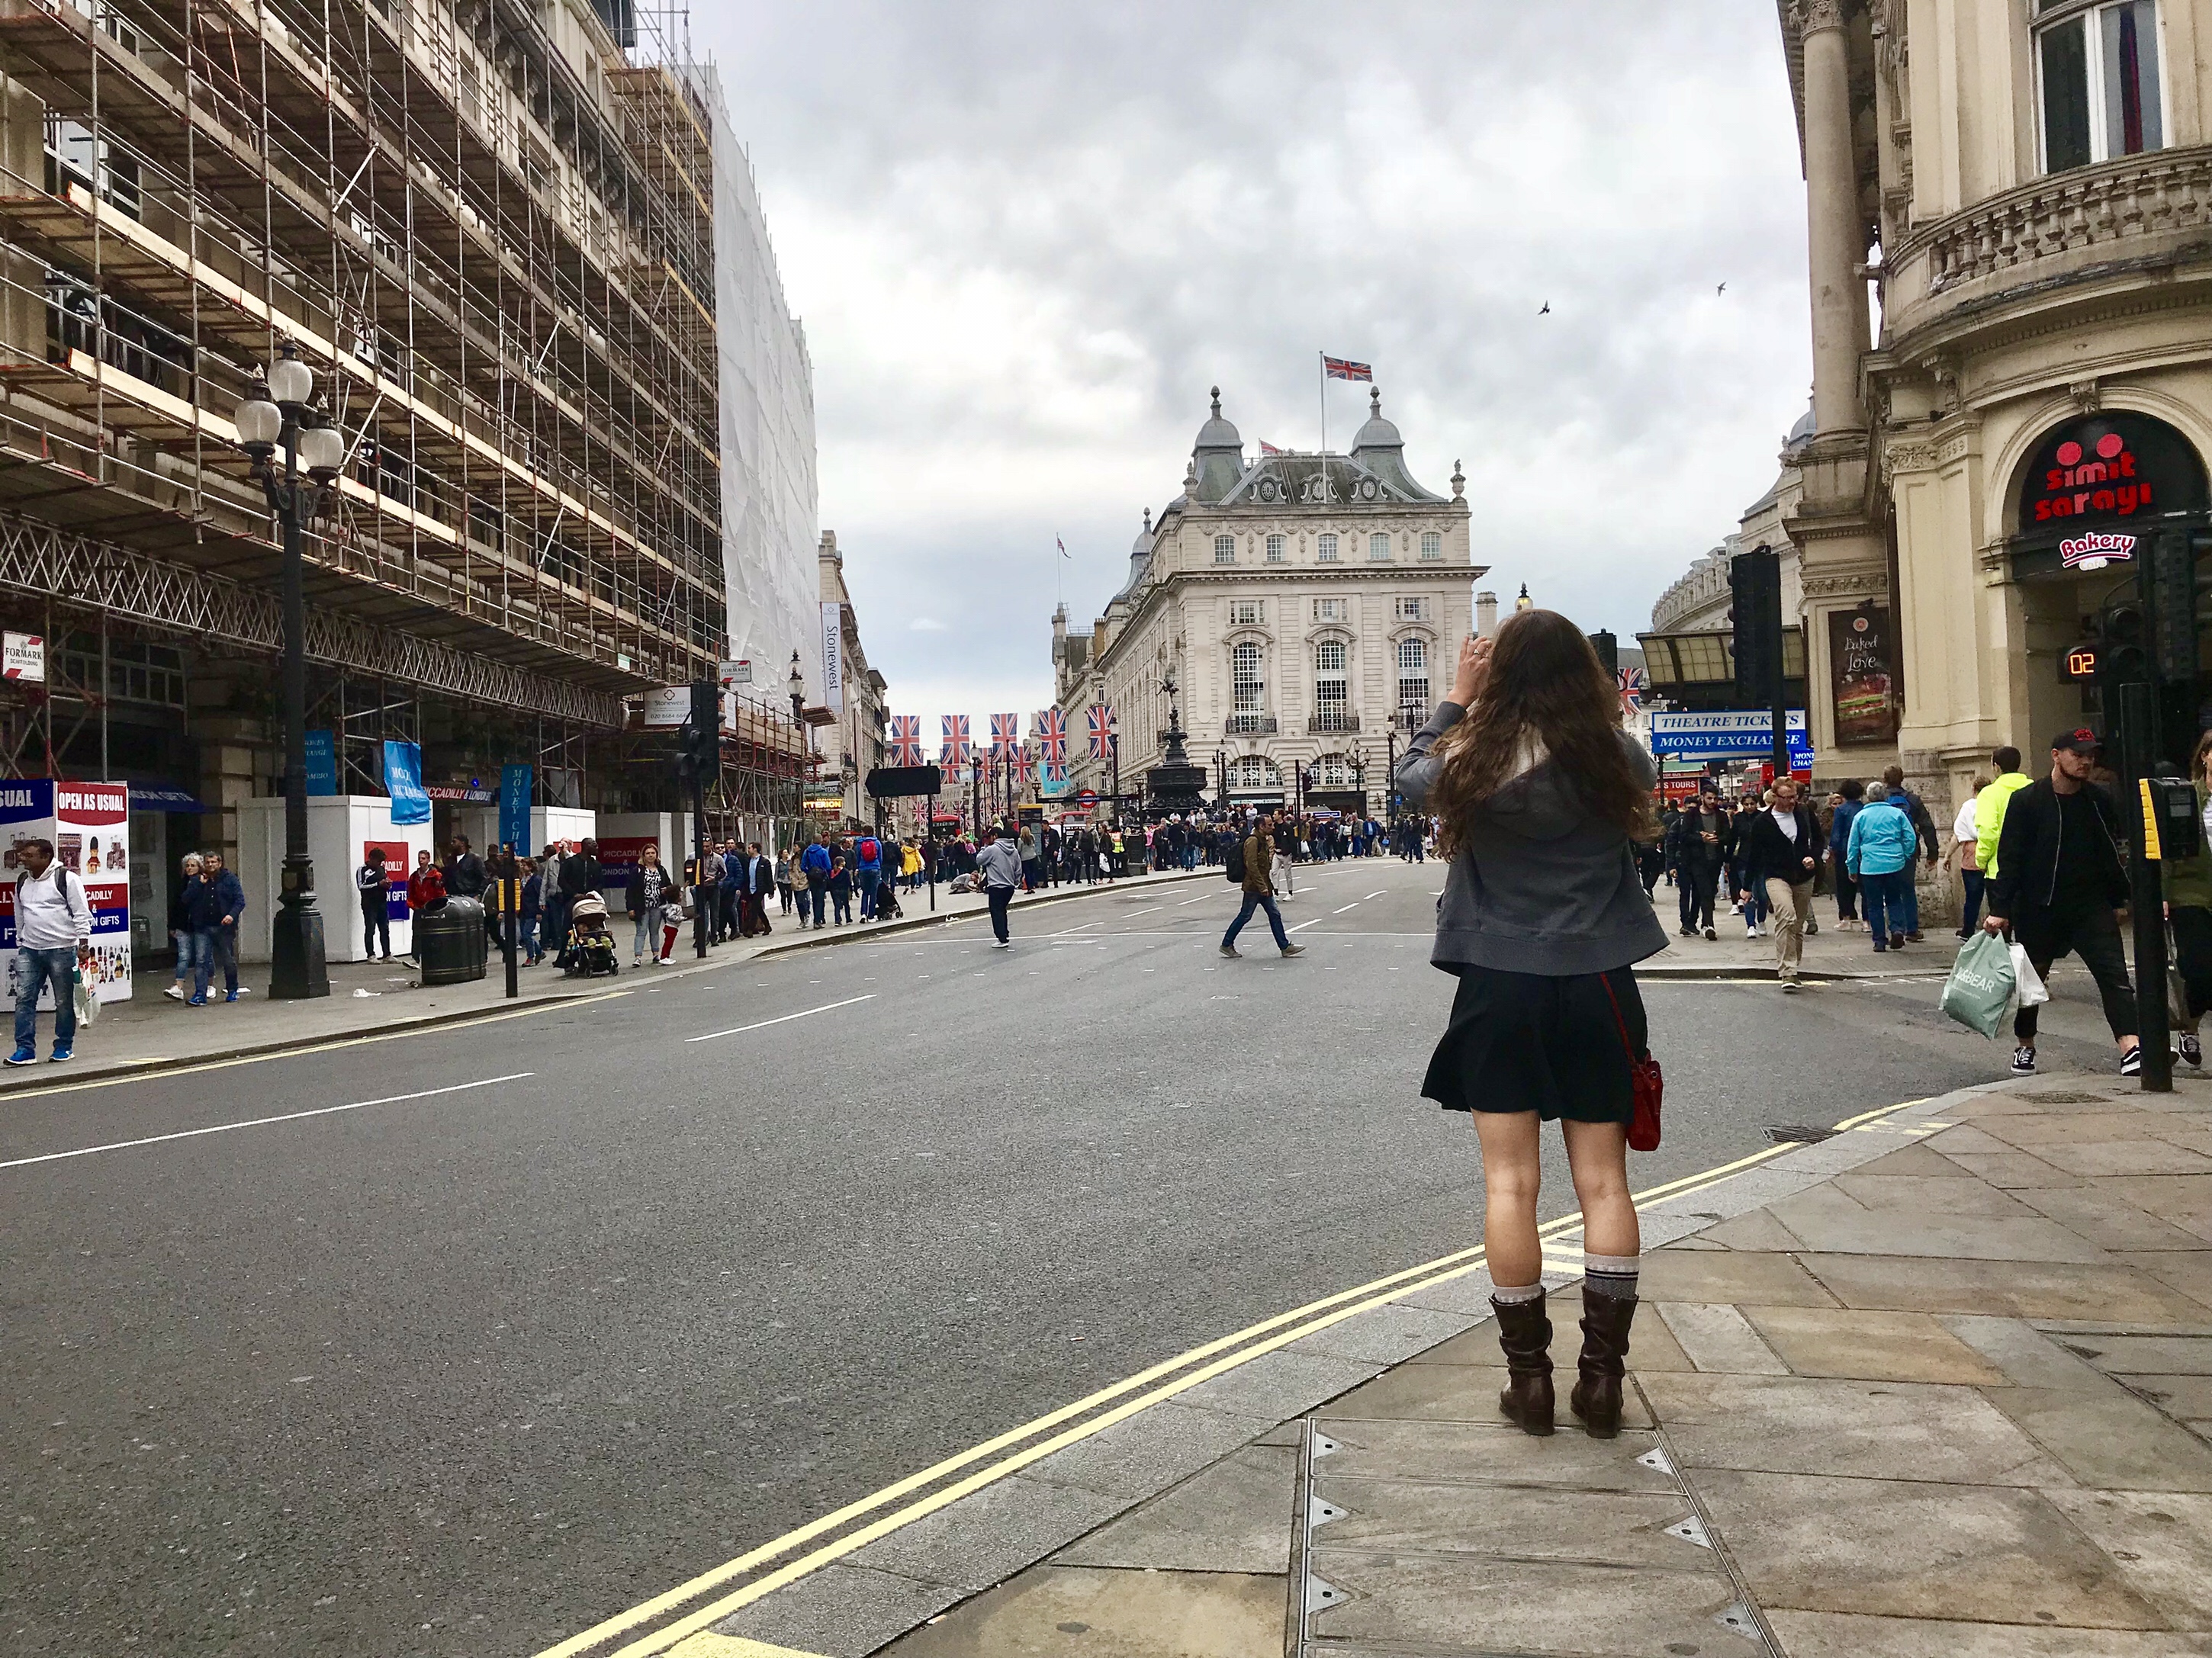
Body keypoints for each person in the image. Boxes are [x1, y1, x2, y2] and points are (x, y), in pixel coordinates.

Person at [1398, 612, 1665, 1439]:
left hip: (1500, 983)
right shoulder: (1613, 757)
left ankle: (1531, 1382)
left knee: (1510, 1184)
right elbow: (1634, 758)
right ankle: (1602, 1381)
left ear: (1501, 676)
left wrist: (1456, 698)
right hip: (1597, 982)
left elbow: (1408, 776)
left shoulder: (1471, 763)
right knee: (1605, 1185)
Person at [1985, 728, 2142, 1078]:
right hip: (2040, 906)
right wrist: (2000, 910)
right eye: (2078, 754)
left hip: (2090, 906)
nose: (2086, 761)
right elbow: (2010, 858)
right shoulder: (2027, 800)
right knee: (2032, 982)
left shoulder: (2099, 799)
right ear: (2056, 756)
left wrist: (2118, 898)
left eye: (2091, 755)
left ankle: (2131, 1048)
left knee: (2115, 977)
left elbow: (2110, 852)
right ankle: (2025, 1045)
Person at [8, 837, 93, 1062]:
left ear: (46, 857)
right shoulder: (23, 880)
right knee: (24, 1000)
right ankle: (25, 1050)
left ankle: (64, 1046)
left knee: (63, 1002)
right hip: (30, 950)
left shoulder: (66, 878)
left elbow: (81, 913)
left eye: (29, 855)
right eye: (23, 855)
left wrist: (83, 944)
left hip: (62, 949)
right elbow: (20, 912)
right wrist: (21, 940)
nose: (23, 859)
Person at [1735, 776, 1823, 991]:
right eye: (1786, 797)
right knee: (1786, 916)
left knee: (1797, 926)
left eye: (1794, 797)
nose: (1792, 801)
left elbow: (1819, 840)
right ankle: (1788, 972)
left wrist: (1813, 857)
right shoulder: (1763, 822)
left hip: (1804, 876)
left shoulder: (1804, 812)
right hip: (1776, 876)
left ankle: (1793, 964)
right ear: (1775, 797)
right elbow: (1754, 855)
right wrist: (1746, 887)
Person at [2162, 733, 2212, 1070]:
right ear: (2205, 756)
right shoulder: (2187, 797)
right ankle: (2189, 1027)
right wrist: (2162, 894)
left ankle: (2189, 1025)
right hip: (2190, 891)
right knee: (2198, 968)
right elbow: (2167, 849)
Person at [1220, 814, 1304, 959]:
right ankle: (1226, 944)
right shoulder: (1253, 841)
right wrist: (1262, 886)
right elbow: (1251, 866)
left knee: (1274, 915)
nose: (1272, 827)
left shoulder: (1263, 840)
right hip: (1254, 887)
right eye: (1269, 825)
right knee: (1245, 916)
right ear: (1261, 827)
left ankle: (1285, 947)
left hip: (1263, 885)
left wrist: (1266, 886)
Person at [1846, 782, 1918, 951]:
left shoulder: (1861, 817)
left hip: (1870, 866)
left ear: (1869, 797)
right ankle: (1897, 928)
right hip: (1895, 863)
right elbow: (1910, 837)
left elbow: (1853, 845)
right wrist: (1905, 854)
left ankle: (1879, 940)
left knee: (1874, 904)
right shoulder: (1897, 814)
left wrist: (1852, 867)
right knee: (1894, 899)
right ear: (1885, 795)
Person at [1880, 764, 1940, 942]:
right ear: (1902, 779)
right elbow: (1927, 827)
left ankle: (1895, 927)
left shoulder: (1880, 801)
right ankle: (1912, 929)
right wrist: (1933, 853)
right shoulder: (1913, 800)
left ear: (1884, 780)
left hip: (1885, 851)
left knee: (1889, 890)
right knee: (1907, 889)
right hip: (1908, 852)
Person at [191, 850, 247, 1004]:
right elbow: (186, 899)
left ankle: (232, 989)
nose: (210, 865)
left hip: (224, 927)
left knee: (228, 960)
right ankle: (200, 994)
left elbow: (240, 901)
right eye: (207, 862)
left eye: (213, 862)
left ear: (220, 863)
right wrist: (199, 885)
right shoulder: (199, 880)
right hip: (203, 926)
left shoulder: (230, 879)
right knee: (201, 960)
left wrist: (231, 915)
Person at [1974, 745, 2032, 892]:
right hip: (2032, 868)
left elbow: (1988, 831)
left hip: (1998, 870)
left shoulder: (1989, 794)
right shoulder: (2034, 788)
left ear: (1996, 766)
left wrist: (1981, 861)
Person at [1675, 786, 1728, 940]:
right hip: (1697, 861)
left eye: (1715, 798)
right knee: (1705, 891)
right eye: (1709, 798)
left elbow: (1728, 836)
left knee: (1709, 891)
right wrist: (1702, 839)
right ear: (1702, 797)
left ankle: (1694, 922)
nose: (1712, 802)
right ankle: (1708, 924)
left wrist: (1717, 839)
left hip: (1715, 860)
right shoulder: (1691, 815)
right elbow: (1684, 836)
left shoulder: (1721, 815)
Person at [1949, 775, 1991, 938]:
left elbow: (1958, 835)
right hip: (1992, 851)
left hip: (1972, 854)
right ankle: (1998, 930)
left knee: (1972, 897)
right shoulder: (1993, 804)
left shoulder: (1968, 807)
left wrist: (1948, 856)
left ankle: (1968, 930)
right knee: (1996, 896)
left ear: (1974, 789)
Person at [626, 843, 674, 966]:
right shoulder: (637, 871)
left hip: (657, 905)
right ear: (643, 855)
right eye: (648, 853)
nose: (651, 856)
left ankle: (656, 954)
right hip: (642, 906)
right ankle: (638, 957)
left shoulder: (661, 870)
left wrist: (666, 890)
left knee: (655, 931)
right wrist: (630, 908)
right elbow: (630, 891)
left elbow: (668, 884)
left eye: (653, 853)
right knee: (641, 931)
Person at [166, 851, 204, 1001]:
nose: (189, 868)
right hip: (183, 925)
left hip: (199, 924)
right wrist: (172, 925)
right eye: (187, 866)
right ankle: (178, 986)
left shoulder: (203, 882)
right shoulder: (181, 883)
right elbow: (176, 905)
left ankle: (208, 985)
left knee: (203, 957)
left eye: (193, 865)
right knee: (184, 956)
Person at [1827, 780, 1864, 930]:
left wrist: (1832, 849)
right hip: (1863, 850)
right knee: (1865, 887)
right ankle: (1866, 921)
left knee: (1843, 886)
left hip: (1844, 850)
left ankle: (1846, 918)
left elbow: (1836, 833)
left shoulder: (1841, 810)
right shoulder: (1864, 808)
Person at [977, 822, 1022, 947]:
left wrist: (984, 847)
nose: (989, 839)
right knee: (1002, 910)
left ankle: (1002, 938)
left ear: (995, 836)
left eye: (990, 837)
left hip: (996, 886)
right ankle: (1004, 935)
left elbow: (979, 860)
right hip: (1009, 887)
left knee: (996, 912)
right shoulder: (1013, 850)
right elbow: (1018, 868)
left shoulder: (992, 849)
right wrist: (1016, 881)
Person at [405, 848, 445, 962]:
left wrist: (436, 906)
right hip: (419, 908)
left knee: (433, 933)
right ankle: (415, 958)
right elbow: (411, 892)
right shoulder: (414, 876)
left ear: (428, 860)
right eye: (419, 858)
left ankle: (434, 957)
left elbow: (441, 893)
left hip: (432, 908)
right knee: (417, 933)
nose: (421, 861)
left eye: (423, 858)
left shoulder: (436, 875)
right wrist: (413, 906)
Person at [356, 847, 393, 961]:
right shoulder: (362, 870)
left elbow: (385, 880)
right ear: (371, 858)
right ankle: (371, 955)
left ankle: (387, 954)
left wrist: (387, 885)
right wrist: (378, 884)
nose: (379, 864)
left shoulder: (381, 869)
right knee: (370, 928)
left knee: (385, 928)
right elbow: (361, 886)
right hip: (369, 904)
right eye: (378, 861)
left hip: (382, 902)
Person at [800, 834, 833, 927]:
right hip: (821, 877)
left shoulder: (807, 851)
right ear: (821, 841)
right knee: (820, 899)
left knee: (814, 899)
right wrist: (825, 873)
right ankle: (818, 920)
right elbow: (828, 866)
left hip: (812, 878)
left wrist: (809, 872)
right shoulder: (823, 851)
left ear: (813, 840)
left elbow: (803, 866)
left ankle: (817, 919)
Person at [519, 857, 544, 966]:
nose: (522, 867)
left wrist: (539, 912)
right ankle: (539, 952)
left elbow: (540, 896)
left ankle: (531, 957)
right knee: (525, 934)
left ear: (530, 867)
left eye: (524, 865)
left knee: (527, 934)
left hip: (532, 911)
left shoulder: (536, 880)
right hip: (523, 910)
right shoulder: (522, 879)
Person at [856, 831, 883, 919]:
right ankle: (871, 916)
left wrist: (859, 867)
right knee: (873, 893)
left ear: (864, 833)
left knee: (865, 892)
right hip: (875, 868)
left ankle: (863, 914)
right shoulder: (877, 843)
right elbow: (880, 857)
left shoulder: (860, 844)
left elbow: (857, 857)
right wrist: (879, 867)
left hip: (863, 869)